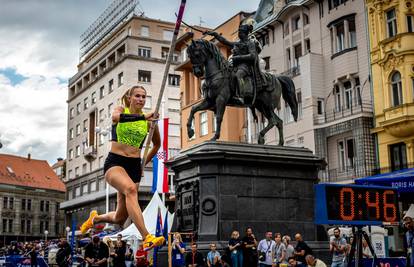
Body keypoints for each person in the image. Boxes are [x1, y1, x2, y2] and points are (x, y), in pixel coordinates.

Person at [80, 85, 164, 251]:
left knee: (120, 217)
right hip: (115, 163)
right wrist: (144, 117)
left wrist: (143, 163)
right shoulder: (121, 109)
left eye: (143, 97)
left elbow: (157, 145)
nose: (141, 99)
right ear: (130, 97)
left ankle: (96, 219)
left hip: (134, 166)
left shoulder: (149, 122)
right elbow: (117, 117)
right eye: (137, 96)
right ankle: (147, 237)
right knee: (131, 190)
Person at [205, 23, 263, 105]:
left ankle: (241, 96)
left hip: (246, 67)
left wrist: (238, 57)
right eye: (238, 32)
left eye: (241, 32)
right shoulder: (237, 43)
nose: (239, 34)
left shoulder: (250, 43)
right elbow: (225, 41)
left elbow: (253, 56)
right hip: (236, 66)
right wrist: (215, 34)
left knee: (237, 75)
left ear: (245, 33)